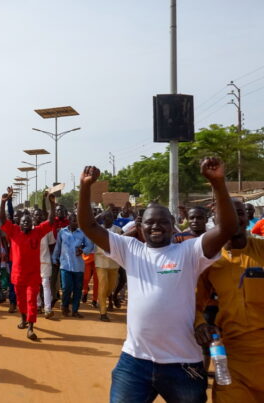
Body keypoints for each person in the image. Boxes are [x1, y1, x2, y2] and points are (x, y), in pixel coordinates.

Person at [77, 157, 237, 402]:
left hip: (183, 365)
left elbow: (226, 227)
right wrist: (85, 187)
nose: (156, 227)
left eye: (163, 222)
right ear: (140, 228)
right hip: (134, 363)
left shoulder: (190, 251)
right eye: (150, 222)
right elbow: (88, 226)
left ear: (173, 226)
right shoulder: (130, 249)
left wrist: (217, 182)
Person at [194, 200, 264, 402]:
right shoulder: (208, 261)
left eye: (239, 213)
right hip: (232, 361)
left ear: (247, 218)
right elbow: (193, 303)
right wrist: (200, 325)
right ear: (216, 221)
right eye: (227, 215)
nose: (234, 219)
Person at [0, 188, 56, 340]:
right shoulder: (14, 231)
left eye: (28, 222)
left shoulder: (37, 232)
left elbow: (50, 221)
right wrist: (3, 202)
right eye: (23, 221)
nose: (26, 223)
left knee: (32, 300)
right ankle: (23, 318)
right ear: (19, 223)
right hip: (17, 275)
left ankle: (30, 327)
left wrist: (52, 204)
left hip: (33, 276)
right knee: (21, 300)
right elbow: (3, 219)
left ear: (31, 224)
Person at [52, 213, 94, 318]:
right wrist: (54, 257)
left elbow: (90, 245)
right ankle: (65, 306)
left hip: (78, 266)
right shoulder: (62, 232)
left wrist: (83, 250)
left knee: (77, 289)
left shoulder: (83, 233)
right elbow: (58, 246)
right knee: (66, 288)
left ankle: (75, 310)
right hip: (65, 265)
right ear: (69, 221)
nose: (75, 222)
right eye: (73, 220)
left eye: (77, 221)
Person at [93, 211, 122, 321]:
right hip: (101, 261)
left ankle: (104, 299)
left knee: (110, 287)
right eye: (107, 216)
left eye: (111, 216)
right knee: (103, 284)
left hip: (114, 262)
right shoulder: (97, 229)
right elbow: (90, 223)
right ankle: (103, 312)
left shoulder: (118, 230)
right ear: (103, 218)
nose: (110, 218)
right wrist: (99, 214)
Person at [32, 208, 56, 319]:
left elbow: (52, 245)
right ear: (32, 216)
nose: (38, 217)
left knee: (45, 284)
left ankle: (48, 309)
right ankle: (38, 305)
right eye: (36, 215)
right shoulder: (28, 229)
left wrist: (48, 256)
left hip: (45, 261)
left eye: (40, 215)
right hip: (32, 262)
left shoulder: (47, 229)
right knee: (35, 285)